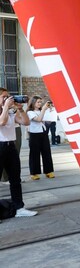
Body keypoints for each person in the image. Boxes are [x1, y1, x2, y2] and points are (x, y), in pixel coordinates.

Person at [0, 88, 37, 217]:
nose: (8, 99)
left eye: (8, 96)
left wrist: (20, 109)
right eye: (4, 97)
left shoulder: (11, 112)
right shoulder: (5, 112)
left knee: (15, 179)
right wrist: (5, 107)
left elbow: (26, 122)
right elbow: (1, 122)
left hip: (11, 147)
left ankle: (19, 208)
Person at [26, 96, 55, 180]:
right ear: (33, 102)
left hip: (43, 133)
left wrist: (50, 114)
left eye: (40, 102)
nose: (40, 104)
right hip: (34, 134)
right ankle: (34, 173)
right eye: (38, 102)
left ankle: (48, 171)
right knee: (34, 154)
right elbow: (38, 119)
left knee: (47, 152)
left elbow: (46, 121)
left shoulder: (41, 110)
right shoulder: (30, 112)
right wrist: (43, 110)